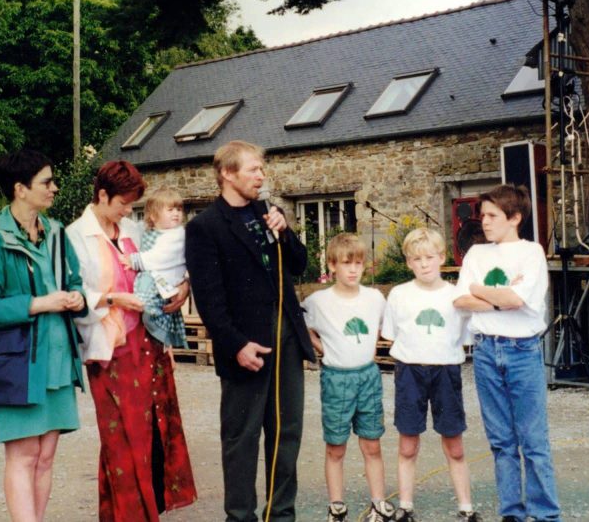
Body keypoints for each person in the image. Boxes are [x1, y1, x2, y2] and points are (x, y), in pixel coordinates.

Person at [185, 140, 316, 522]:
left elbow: (299, 265)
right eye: (253, 169)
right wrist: (236, 345)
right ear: (227, 173)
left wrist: (286, 232)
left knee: (286, 433)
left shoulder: (268, 213)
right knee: (241, 439)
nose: (261, 176)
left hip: (286, 339)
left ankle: (281, 514)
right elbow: (209, 300)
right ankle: (240, 516)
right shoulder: (204, 227)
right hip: (245, 347)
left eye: (262, 168)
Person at [66, 160, 197, 522]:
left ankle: (139, 513)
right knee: (122, 440)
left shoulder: (132, 230)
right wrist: (115, 299)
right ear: (102, 195)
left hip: (148, 341)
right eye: (123, 203)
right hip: (109, 349)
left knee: (155, 431)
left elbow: (167, 264)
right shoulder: (75, 236)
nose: (127, 211)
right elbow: (73, 295)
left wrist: (182, 288)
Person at [0, 149, 89, 522]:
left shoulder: (56, 233)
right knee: (23, 456)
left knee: (46, 457)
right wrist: (40, 303)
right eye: (46, 182)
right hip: (19, 364)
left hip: (59, 362)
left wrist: (76, 296)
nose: (54, 188)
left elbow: (74, 281)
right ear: (20, 189)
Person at [455, 184, 560, 522]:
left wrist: (482, 292)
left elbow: (519, 300)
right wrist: (500, 295)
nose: (484, 222)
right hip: (486, 351)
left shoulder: (531, 253)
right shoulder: (475, 254)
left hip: (521, 351)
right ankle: (511, 513)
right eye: (482, 215)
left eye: (492, 215)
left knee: (533, 441)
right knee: (501, 441)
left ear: (514, 218)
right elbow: (461, 300)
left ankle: (545, 515)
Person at [382, 228, 485, 522]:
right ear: (408, 263)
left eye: (429, 257)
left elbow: (464, 339)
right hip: (409, 372)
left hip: (446, 372)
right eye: (417, 258)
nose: (424, 263)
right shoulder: (399, 295)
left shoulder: (456, 296)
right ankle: (405, 506)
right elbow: (391, 335)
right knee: (408, 442)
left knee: (454, 442)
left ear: (441, 257)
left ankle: (466, 508)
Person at [301, 234, 394, 522]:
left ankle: (378, 503)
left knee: (372, 444)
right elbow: (302, 325)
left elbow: (382, 326)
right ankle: (336, 506)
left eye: (358, 263)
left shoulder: (375, 298)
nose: (353, 270)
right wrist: (321, 347)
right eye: (346, 263)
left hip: (367, 375)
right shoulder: (318, 301)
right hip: (336, 378)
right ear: (332, 265)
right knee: (336, 446)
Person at [120, 187, 188, 349]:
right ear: (153, 216)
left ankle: (159, 331)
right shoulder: (149, 231)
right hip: (157, 278)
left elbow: (161, 256)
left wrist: (135, 260)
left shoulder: (176, 234)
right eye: (170, 210)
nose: (176, 213)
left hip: (164, 279)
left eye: (179, 209)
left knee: (150, 307)